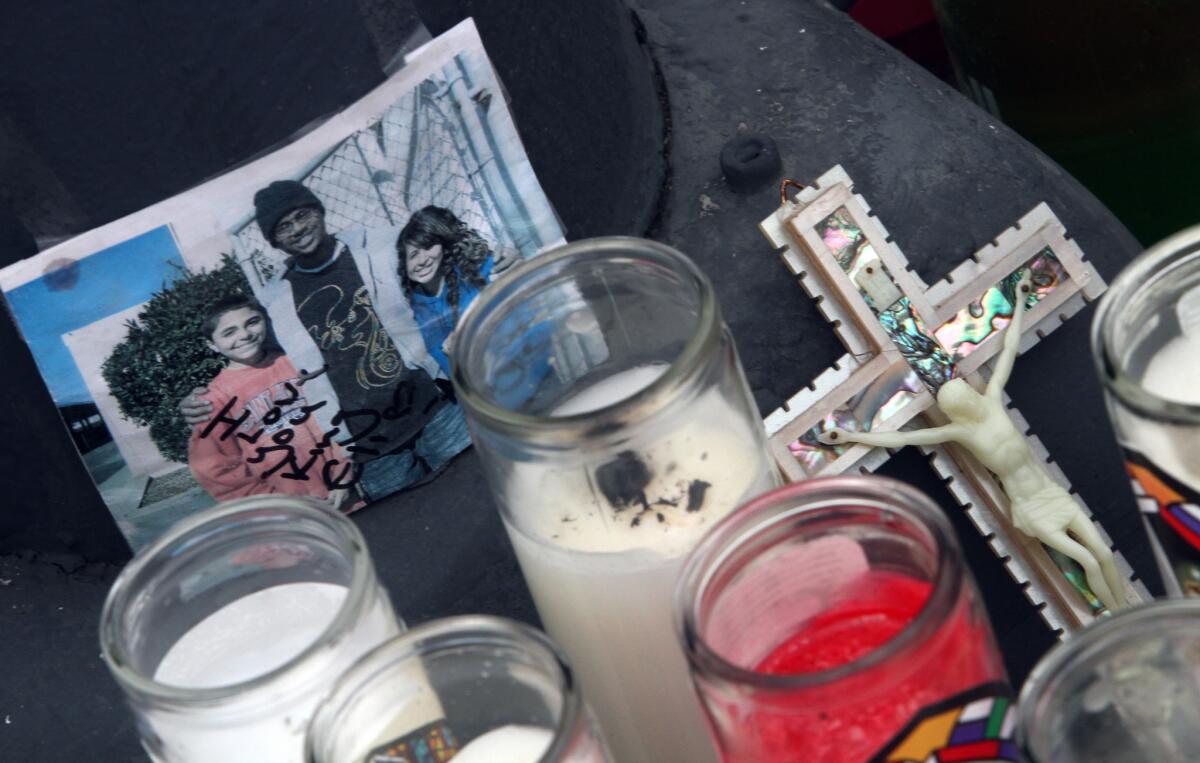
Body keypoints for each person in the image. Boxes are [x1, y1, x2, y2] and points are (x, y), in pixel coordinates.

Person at [819, 273, 1127, 612]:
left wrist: (1021, 301)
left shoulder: (991, 399)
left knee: (1103, 554)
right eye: (958, 400)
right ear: (956, 410)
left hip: (1051, 494)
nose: (966, 397)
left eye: (963, 391)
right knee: (1087, 560)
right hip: (1030, 507)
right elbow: (904, 437)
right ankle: (1116, 617)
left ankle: (1129, 610)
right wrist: (849, 435)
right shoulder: (960, 432)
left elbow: (1008, 349)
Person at [182, 180, 478, 501]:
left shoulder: (380, 247)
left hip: (434, 410)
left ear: (319, 212)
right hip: (369, 448)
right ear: (274, 242)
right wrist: (200, 405)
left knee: (479, 490)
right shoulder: (274, 302)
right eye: (283, 227)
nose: (296, 229)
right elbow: (256, 361)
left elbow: (445, 264)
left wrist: (493, 259)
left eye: (301, 215)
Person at [186, 294, 350, 508]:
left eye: (252, 322)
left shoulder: (297, 362)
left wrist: (345, 472)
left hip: (344, 489)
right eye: (229, 332)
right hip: (290, 512)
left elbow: (341, 414)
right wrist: (275, 503)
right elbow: (215, 468)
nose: (244, 335)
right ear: (212, 344)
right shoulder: (213, 399)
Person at [397, 206, 503, 375]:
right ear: (405, 265)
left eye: (429, 246)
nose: (422, 260)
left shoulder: (470, 271)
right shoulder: (417, 307)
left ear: (443, 247)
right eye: (413, 254)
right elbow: (449, 367)